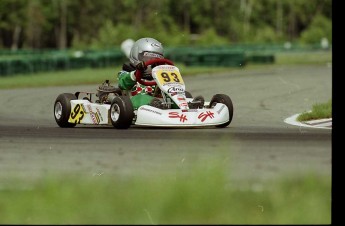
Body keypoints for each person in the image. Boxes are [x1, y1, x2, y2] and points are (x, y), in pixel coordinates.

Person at [97, 37, 204, 109]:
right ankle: (155, 104)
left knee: (179, 95)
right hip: (133, 104)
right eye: (147, 58)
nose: (150, 62)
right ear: (136, 56)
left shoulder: (158, 73)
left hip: (161, 103)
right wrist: (136, 73)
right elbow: (123, 83)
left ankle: (187, 105)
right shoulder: (126, 72)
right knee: (141, 98)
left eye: (155, 59)